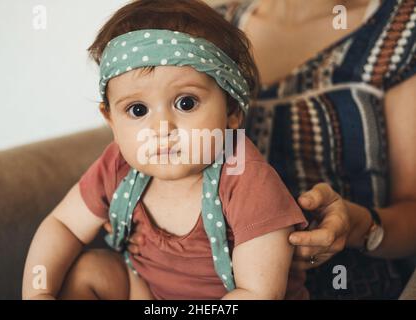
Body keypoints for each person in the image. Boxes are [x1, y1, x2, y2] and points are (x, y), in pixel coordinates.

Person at [124, 0, 416, 299]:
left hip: (347, 281)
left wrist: (358, 225)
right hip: (212, 281)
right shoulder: (206, 23)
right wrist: (127, 209)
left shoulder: (400, 28)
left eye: (187, 103)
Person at [22, 0, 309, 300]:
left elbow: (260, 293)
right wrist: (38, 293)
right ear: (111, 120)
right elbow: (63, 225)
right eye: (137, 109)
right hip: (149, 293)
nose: (162, 128)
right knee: (89, 270)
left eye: (186, 103)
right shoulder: (117, 165)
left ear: (232, 111)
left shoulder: (246, 178)